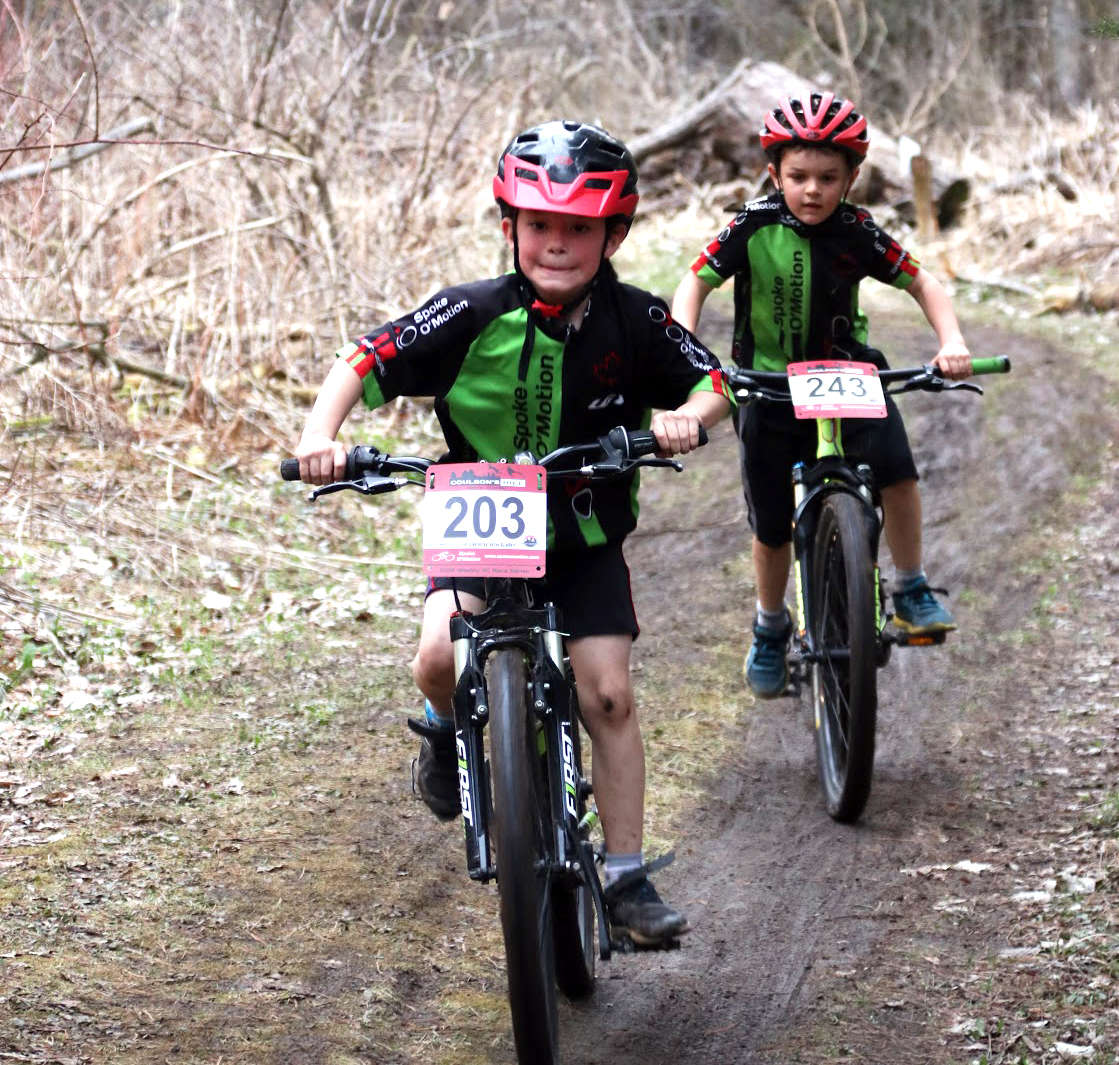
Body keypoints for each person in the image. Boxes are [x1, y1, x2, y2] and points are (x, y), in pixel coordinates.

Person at [295, 120, 732, 945]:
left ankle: (626, 873)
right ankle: (439, 731)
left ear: (613, 234)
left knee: (608, 691)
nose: (557, 244)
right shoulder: (468, 311)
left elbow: (712, 381)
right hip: (480, 524)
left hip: (583, 534)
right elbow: (364, 360)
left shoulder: (634, 319)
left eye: (578, 229)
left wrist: (685, 418)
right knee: (434, 658)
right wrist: (322, 435)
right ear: (509, 227)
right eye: (539, 225)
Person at [671, 91, 973, 700]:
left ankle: (911, 585)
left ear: (852, 178)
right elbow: (694, 283)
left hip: (848, 376)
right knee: (772, 525)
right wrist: (687, 352)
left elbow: (926, 284)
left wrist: (952, 341)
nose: (812, 190)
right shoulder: (750, 225)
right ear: (774, 173)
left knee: (898, 473)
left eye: (828, 178)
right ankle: (770, 625)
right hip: (768, 385)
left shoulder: (858, 230)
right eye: (798, 176)